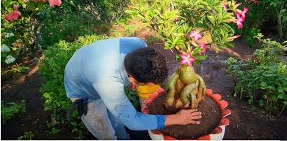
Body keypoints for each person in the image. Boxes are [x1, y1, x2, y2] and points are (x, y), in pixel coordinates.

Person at [64, 37, 202, 140]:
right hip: (83, 88)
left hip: (90, 61)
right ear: (131, 77)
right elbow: (133, 121)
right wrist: (176, 119)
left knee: (117, 120)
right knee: (104, 130)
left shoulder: (139, 45)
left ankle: (124, 138)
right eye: (143, 84)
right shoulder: (108, 82)